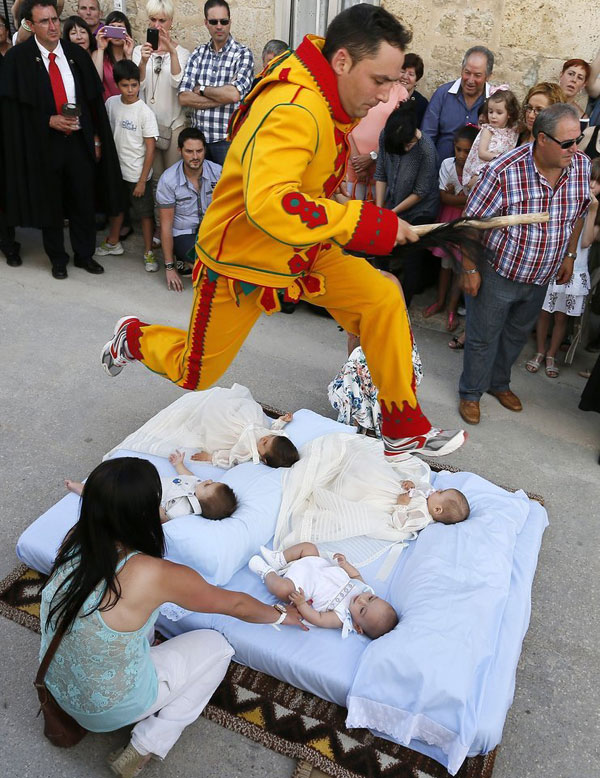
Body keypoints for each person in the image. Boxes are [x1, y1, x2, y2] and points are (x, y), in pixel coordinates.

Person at [100, 4, 466, 460]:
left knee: (381, 296)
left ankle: (400, 422)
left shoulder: (320, 90)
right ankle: (132, 338)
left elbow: (305, 191)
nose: (389, 96)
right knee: (195, 373)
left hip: (300, 246)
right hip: (243, 261)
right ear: (343, 62)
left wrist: (367, 219)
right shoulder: (295, 108)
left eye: (395, 82)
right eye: (380, 81)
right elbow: (271, 203)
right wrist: (366, 222)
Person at [41, 458, 305, 778]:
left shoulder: (76, 537)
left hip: (55, 681)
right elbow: (234, 605)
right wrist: (279, 615)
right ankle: (146, 744)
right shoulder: (153, 574)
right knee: (218, 646)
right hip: (105, 710)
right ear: (146, 509)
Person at [458, 104, 591, 425]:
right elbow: (470, 225)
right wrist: (471, 269)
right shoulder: (503, 171)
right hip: (497, 272)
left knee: (516, 334)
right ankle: (471, 393)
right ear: (541, 139)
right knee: (483, 336)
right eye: (568, 143)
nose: (576, 149)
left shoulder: (581, 167)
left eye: (579, 139)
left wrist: (570, 255)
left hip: (542, 274)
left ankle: (498, 383)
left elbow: (578, 215)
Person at [0, 0, 122, 279]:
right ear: (30, 25)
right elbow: (13, 111)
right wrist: (47, 120)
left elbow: (92, 103)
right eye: (44, 21)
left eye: (55, 19)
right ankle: (57, 258)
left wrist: (95, 138)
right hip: (43, 145)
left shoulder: (75, 55)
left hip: (78, 141)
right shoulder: (18, 59)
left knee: (83, 199)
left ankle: (84, 255)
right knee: (51, 203)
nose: (53, 26)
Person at [104, 383, 299, 468]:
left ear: (263, 458)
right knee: (229, 402)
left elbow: (229, 458)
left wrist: (210, 457)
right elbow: (274, 428)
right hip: (241, 415)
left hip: (225, 429)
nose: (264, 438)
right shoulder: (267, 434)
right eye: (269, 439)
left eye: (264, 444)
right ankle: (215, 402)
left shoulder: (247, 452)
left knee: (209, 419)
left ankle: (204, 412)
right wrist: (283, 420)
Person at [526, 160, 600, 377]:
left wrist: (592, 210)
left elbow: (585, 242)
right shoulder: (567, 200)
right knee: (544, 312)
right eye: (590, 179)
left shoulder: (596, 213)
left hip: (575, 270)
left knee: (561, 317)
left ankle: (551, 354)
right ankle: (540, 351)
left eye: (598, 182)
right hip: (553, 262)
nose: (592, 185)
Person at [249, 543, 398, 639]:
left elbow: (318, 618)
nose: (361, 599)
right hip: (316, 565)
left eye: (362, 610)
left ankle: (267, 572)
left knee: (282, 589)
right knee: (309, 548)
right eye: (371, 598)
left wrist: (301, 604)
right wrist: (345, 564)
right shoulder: (363, 589)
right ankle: (280, 559)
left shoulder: (341, 617)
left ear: (358, 626)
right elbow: (355, 575)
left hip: (300, 584)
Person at [374, 102, 440, 306]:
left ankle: (403, 304)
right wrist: (379, 210)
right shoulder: (388, 136)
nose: (406, 147)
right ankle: (378, 294)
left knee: (412, 258)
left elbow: (420, 192)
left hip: (421, 209)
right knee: (380, 249)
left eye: (409, 143)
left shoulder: (426, 149)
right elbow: (381, 173)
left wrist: (391, 213)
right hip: (393, 202)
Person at [97, 60, 159, 271]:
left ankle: (149, 252)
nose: (130, 90)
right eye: (125, 85)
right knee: (116, 209)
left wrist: (142, 180)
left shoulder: (145, 112)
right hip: (116, 170)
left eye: (134, 85)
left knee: (145, 215)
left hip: (136, 175)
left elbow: (151, 148)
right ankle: (113, 242)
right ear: (117, 84)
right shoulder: (111, 104)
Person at [178, 0, 254, 165]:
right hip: (198, 143)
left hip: (227, 141)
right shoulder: (198, 53)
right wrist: (221, 97)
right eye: (214, 22)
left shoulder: (243, 54)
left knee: (228, 190)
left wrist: (202, 89)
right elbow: (184, 97)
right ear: (206, 23)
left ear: (230, 22)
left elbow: (234, 94)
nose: (219, 26)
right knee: (199, 190)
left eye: (224, 21)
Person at [66, 450, 238, 520]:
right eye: (212, 481)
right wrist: (178, 464)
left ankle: (84, 490)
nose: (208, 480)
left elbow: (162, 517)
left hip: (142, 498)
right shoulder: (198, 484)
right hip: (148, 482)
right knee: (124, 474)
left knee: (111, 497)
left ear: (203, 502)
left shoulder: (184, 511)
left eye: (209, 485)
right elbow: (189, 476)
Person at [424, 125, 479, 333]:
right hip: (449, 220)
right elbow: (443, 197)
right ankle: (439, 301)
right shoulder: (447, 164)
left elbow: (470, 201)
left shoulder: (477, 170)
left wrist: (455, 198)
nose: (462, 155)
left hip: (466, 224)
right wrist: (462, 199)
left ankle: (452, 308)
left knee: (459, 265)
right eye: (459, 149)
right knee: (445, 264)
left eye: (467, 151)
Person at [156, 127, 222, 291]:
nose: (195, 157)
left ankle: (190, 264)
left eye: (199, 151)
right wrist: (169, 268)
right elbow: (166, 226)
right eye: (189, 151)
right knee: (206, 270)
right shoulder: (168, 180)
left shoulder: (218, 172)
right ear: (179, 151)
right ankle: (184, 261)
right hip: (184, 232)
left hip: (210, 230)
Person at [133, 0, 191, 186]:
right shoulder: (139, 51)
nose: (157, 25)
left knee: (174, 177)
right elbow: (138, 86)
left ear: (171, 22)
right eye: (153, 19)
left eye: (162, 20)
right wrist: (143, 61)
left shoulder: (182, 53)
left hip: (174, 123)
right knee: (156, 177)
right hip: (150, 124)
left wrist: (171, 52)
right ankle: (159, 215)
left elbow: (177, 82)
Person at [421, 46, 494, 164]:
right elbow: (427, 137)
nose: (470, 80)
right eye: (467, 72)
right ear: (461, 70)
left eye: (477, 75)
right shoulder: (443, 94)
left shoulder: (494, 101)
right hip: (439, 173)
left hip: (477, 177)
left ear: (488, 76)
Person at [346, 79, 408, 201]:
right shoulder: (359, 83)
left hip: (380, 166)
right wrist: (357, 163)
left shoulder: (400, 92)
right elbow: (345, 125)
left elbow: (396, 129)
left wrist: (373, 156)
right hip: (351, 162)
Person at [461, 87, 520, 189]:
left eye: (499, 113)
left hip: (501, 172)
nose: (493, 116)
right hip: (484, 168)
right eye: (490, 112)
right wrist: (501, 158)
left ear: (509, 113)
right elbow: (482, 153)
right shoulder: (488, 130)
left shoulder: (513, 131)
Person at [92, 9, 134, 102]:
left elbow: (132, 82)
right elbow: (96, 82)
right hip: (107, 106)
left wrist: (128, 55)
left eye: (120, 28)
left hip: (128, 105)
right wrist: (101, 49)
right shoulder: (98, 54)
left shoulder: (133, 54)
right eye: (112, 28)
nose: (116, 33)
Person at [398, 52, 428, 125]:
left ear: (416, 80)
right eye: (402, 71)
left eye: (411, 74)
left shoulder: (421, 103)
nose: (405, 77)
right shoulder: (385, 94)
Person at [558, 59, 590, 126]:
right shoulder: (543, 101)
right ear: (561, 75)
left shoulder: (582, 118)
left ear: (583, 85)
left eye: (580, 78)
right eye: (570, 74)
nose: (574, 80)